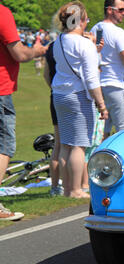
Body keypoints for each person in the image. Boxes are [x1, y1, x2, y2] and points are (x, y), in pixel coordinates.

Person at [51, 1, 108, 199]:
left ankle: (67, 189)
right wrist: (101, 104)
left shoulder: (59, 40)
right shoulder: (85, 44)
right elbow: (92, 79)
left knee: (66, 144)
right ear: (80, 20)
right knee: (79, 145)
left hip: (59, 94)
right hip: (77, 96)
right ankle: (76, 189)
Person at [0, 3, 48, 220]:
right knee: (5, 146)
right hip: (1, 89)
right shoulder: (2, 12)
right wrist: (36, 51)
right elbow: (19, 53)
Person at [90, 0, 124, 134]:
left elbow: (101, 50)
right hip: (117, 87)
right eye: (121, 10)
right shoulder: (118, 32)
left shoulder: (96, 29)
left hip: (99, 88)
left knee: (102, 134)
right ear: (110, 10)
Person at [43, 40, 64, 196]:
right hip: (71, 95)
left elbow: (46, 74)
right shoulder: (75, 42)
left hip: (55, 95)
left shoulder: (52, 45)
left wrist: (54, 89)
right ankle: (70, 184)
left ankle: (55, 185)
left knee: (58, 144)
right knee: (71, 146)